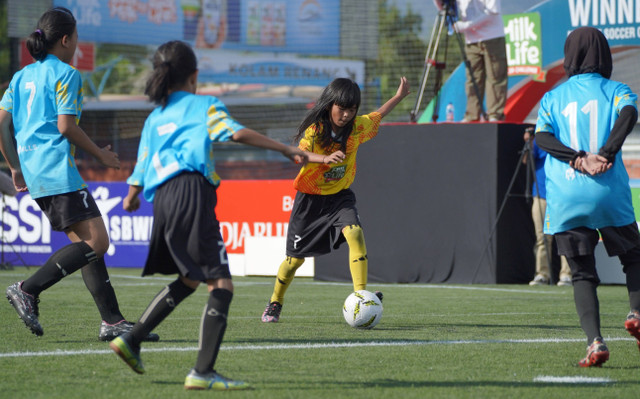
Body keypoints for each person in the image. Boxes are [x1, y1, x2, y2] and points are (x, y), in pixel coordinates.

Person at [109, 40, 306, 390]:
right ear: (194, 76)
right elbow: (235, 132)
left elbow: (142, 162)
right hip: (191, 193)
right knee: (222, 284)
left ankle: (132, 339)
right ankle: (202, 372)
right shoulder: (204, 105)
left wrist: (132, 195)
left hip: (164, 201)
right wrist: (285, 148)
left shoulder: (156, 117)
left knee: (190, 278)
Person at [0, 7, 158, 342]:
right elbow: (66, 126)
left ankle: (112, 322)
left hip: (33, 170)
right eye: (77, 37)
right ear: (67, 39)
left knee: (86, 245)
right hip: (56, 169)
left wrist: (14, 165)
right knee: (99, 242)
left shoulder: (21, 77)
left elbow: (1, 123)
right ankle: (27, 289)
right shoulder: (67, 74)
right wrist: (101, 154)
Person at [261, 76, 410, 323]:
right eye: (342, 108)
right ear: (330, 104)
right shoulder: (316, 130)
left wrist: (398, 96)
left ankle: (361, 295)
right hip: (310, 201)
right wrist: (324, 159)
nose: (346, 115)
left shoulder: (358, 127)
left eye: (352, 109)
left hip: (340, 197)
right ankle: (275, 302)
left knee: (354, 233)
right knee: (294, 260)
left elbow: (377, 115)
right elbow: (300, 154)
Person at [534, 27, 640, 367]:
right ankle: (637, 313)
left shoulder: (553, 98)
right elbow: (629, 115)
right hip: (608, 191)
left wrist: (578, 159)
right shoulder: (617, 90)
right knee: (635, 258)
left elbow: (542, 138)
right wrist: (606, 153)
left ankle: (595, 343)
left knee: (581, 273)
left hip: (567, 196)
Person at [433, 0, 507, 122]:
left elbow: (493, 11)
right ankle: (472, 115)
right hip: (471, 39)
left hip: (492, 36)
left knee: (496, 76)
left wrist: (466, 25)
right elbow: (443, 6)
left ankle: (495, 115)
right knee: (473, 79)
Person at [522, 127, 572, 287]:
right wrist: (528, 144)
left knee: (565, 235)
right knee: (542, 238)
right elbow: (526, 160)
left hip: (561, 195)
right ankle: (542, 274)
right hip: (541, 194)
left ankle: (567, 275)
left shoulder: (565, 140)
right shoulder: (539, 141)